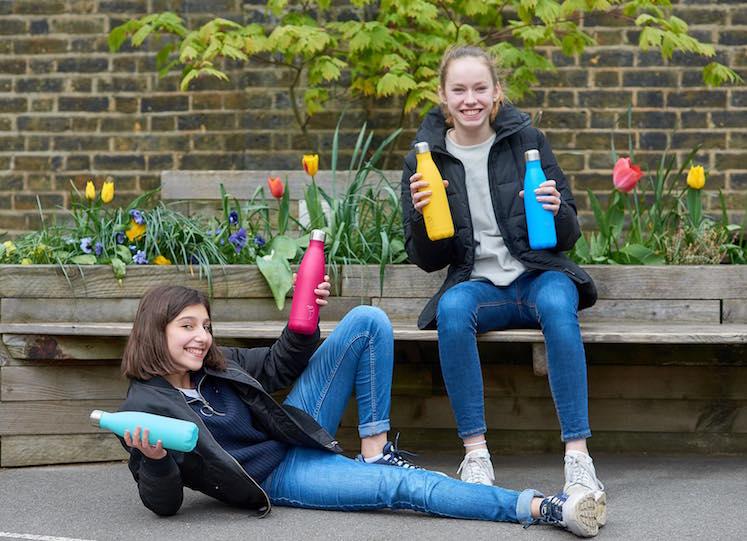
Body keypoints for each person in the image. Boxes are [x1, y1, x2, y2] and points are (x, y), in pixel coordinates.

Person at [117, 283, 601, 536]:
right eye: (187, 326)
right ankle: (540, 506)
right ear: (155, 330)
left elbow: (282, 362)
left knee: (366, 320)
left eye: (205, 325)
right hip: (277, 475)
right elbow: (163, 504)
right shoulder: (145, 407)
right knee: (403, 487)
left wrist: (306, 313)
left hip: (292, 429)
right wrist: (157, 462)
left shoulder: (216, 365)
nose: (202, 337)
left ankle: (375, 448)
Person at [400, 45, 606, 527]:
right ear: (443, 96)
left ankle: (578, 458)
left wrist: (557, 211)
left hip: (536, 276)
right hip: (479, 284)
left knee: (560, 301)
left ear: (496, 92)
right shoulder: (425, 160)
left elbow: (569, 234)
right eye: (459, 90)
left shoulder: (525, 139)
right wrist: (420, 212)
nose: (470, 99)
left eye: (479, 88)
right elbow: (427, 260)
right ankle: (476, 455)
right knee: (452, 311)